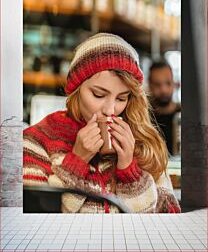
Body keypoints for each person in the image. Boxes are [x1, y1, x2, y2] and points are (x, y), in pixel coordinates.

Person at [23, 33, 181, 213]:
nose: (110, 110)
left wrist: (130, 173)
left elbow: (166, 224)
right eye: (98, 95)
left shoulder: (144, 144)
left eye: (121, 98)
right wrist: (76, 163)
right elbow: (37, 227)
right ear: (76, 89)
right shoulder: (35, 141)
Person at [148, 60, 181, 156]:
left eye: (168, 83)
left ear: (174, 84)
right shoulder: (144, 116)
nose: (163, 90)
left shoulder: (184, 114)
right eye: (157, 84)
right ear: (150, 86)